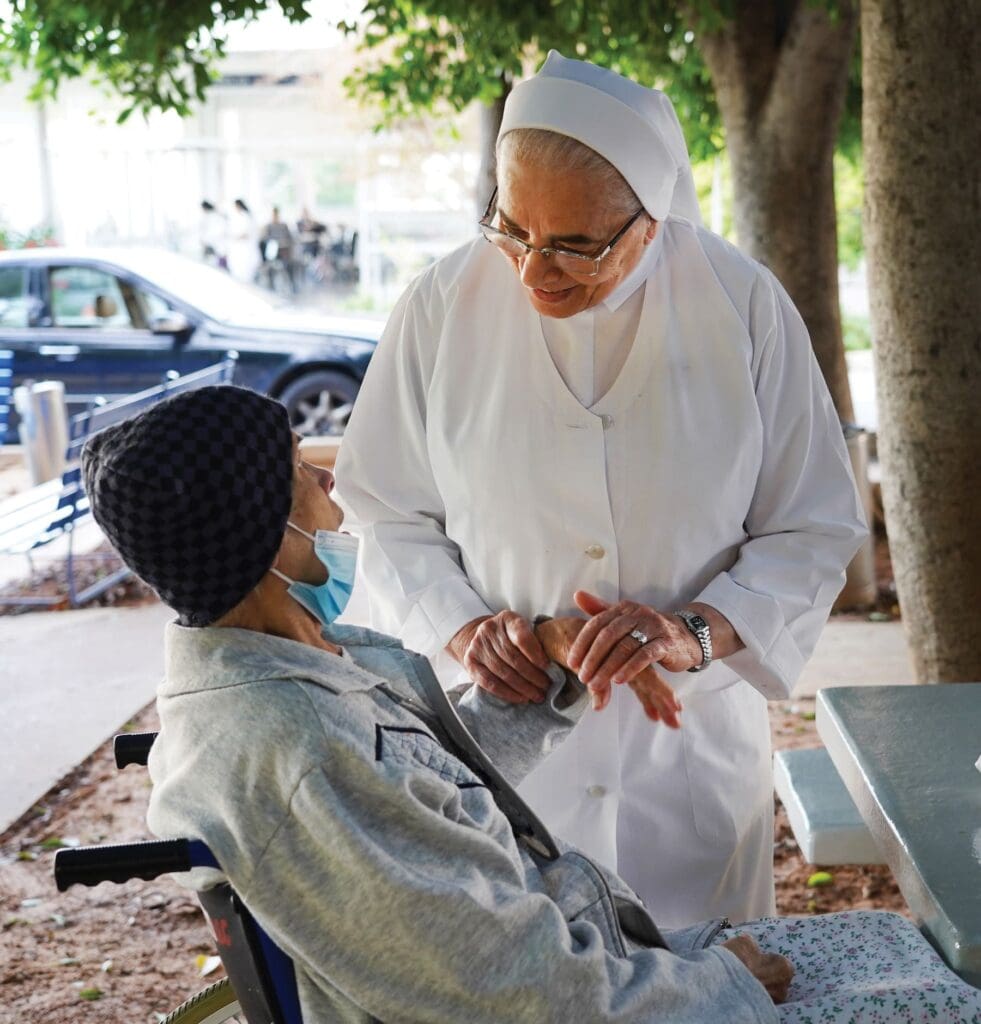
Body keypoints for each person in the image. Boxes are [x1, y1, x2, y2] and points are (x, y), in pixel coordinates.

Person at [80, 385, 981, 1024]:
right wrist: (723, 988)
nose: (331, 490)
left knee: (897, 945)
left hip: (592, 959)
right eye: (301, 477)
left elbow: (428, 793)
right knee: (939, 991)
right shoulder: (291, 751)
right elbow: (510, 988)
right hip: (575, 989)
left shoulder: (298, 664)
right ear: (257, 529)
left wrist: (553, 663)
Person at [336, 50, 869, 928]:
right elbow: (383, 505)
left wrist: (694, 631)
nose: (534, 270)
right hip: (504, 768)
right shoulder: (437, 307)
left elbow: (811, 525)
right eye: (512, 228)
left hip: (685, 764)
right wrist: (463, 626)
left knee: (713, 986)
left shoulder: (743, 306)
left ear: (649, 223)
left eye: (575, 244)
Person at [226, 198, 260, 284]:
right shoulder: (237, 217)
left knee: (245, 269)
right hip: (238, 246)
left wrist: (236, 237)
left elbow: (247, 233)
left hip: (245, 247)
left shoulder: (246, 216)